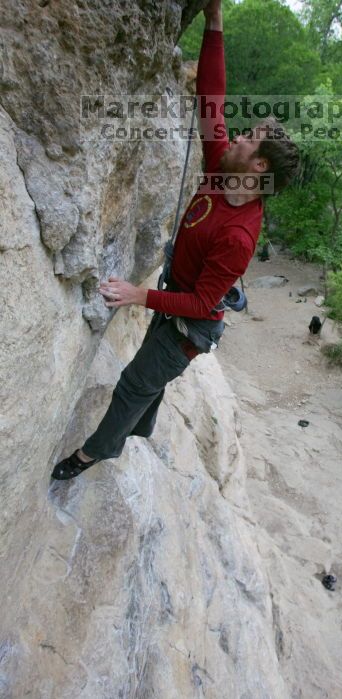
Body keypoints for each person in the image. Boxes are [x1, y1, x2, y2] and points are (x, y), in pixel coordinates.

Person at [52, 0, 300, 480]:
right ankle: (139, 428)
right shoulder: (219, 170)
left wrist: (137, 295)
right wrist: (214, 20)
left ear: (259, 167)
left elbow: (206, 300)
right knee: (147, 382)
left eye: (248, 138)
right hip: (176, 299)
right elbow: (211, 97)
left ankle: (93, 454)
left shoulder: (239, 235)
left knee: (133, 384)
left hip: (190, 325)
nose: (237, 138)